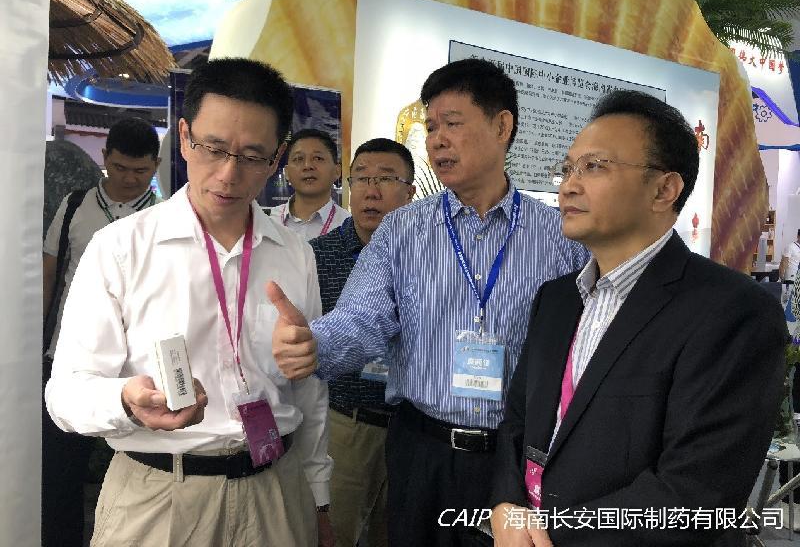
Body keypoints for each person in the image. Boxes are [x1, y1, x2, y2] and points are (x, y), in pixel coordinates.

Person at [269, 58, 588, 547]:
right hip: (421, 448)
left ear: (502, 126)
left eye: (452, 124)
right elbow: (362, 316)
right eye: (432, 126)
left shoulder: (559, 238)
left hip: (514, 457)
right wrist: (316, 344)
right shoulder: (403, 230)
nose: (436, 140)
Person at [46, 58, 333, 547]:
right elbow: (65, 393)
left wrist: (319, 496)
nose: (229, 174)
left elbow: (307, 392)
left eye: (253, 156)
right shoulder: (121, 248)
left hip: (276, 491)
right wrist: (126, 401)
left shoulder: (294, 253)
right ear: (184, 137)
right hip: (160, 495)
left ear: (276, 158)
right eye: (213, 149)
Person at [490, 90, 785, 547]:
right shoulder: (556, 299)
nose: (568, 186)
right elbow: (518, 422)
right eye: (567, 169)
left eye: (594, 167)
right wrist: (506, 506)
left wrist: (554, 534)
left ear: (664, 190)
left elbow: (697, 490)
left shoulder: (734, 311)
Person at [41, 117, 160, 547]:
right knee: (59, 473)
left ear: (156, 165)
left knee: (135, 469)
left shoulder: (162, 217)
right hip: (69, 358)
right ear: (104, 157)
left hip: (137, 368)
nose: (129, 178)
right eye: (120, 167)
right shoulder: (75, 205)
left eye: (140, 170)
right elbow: (50, 273)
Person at [309, 138, 416, 547]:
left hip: (410, 426)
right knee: (335, 533)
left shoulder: (429, 257)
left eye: (386, 179)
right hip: (346, 425)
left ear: (410, 192)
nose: (372, 191)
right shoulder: (317, 256)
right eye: (362, 179)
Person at [270, 128, 349, 239]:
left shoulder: (349, 227)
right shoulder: (268, 221)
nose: (307, 165)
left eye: (318, 158)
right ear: (287, 173)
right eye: (299, 159)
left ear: (337, 171)